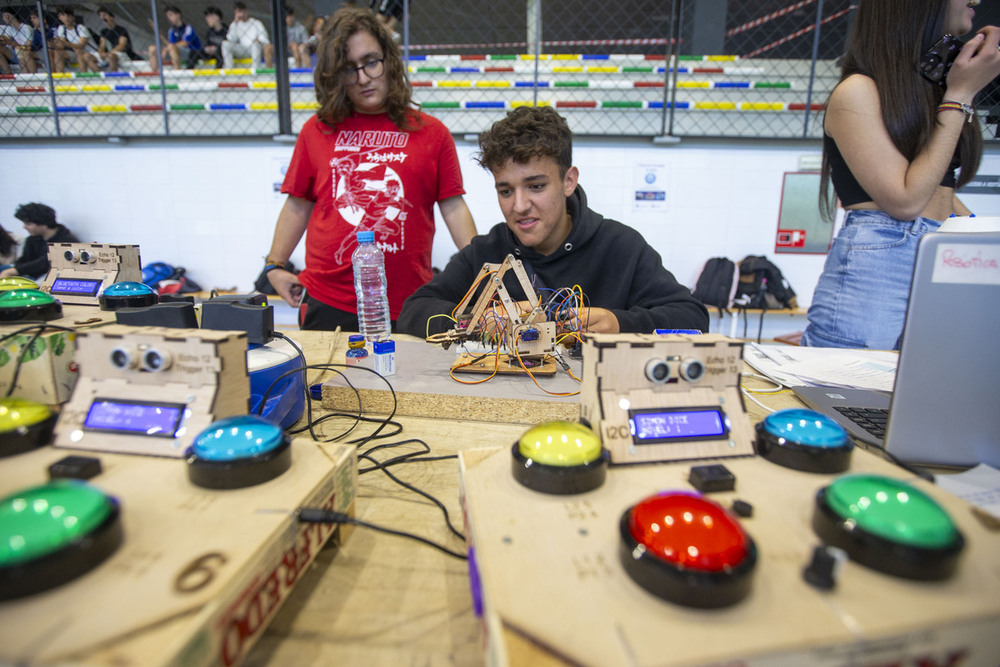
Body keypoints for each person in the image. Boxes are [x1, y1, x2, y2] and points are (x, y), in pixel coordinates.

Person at [397, 106, 709, 338]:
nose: (519, 206)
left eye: (536, 186)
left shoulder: (622, 247)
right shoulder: (485, 253)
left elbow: (693, 317)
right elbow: (414, 311)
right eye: (506, 191)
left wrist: (620, 323)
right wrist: (477, 321)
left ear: (568, 181)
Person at [801, 0, 1000, 350]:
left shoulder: (930, 90)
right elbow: (905, 201)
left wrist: (982, 235)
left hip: (938, 251)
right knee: (846, 394)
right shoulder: (857, 91)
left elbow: (939, 190)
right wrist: (961, 94)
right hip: (881, 260)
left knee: (925, 392)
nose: (977, 0)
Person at [263, 6, 477, 331]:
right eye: (349, 70)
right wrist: (273, 267)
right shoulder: (316, 130)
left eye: (371, 62)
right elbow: (297, 204)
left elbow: (454, 207)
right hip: (328, 300)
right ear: (334, 77)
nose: (363, 78)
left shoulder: (432, 133)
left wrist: (484, 276)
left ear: (389, 60)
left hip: (407, 304)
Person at [0, 203, 79, 280]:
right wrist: (15, 270)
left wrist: (15, 271)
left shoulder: (66, 241)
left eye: (28, 224)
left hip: (49, 276)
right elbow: (23, 260)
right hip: (31, 274)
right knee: (4, 269)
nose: (25, 227)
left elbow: (46, 262)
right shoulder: (32, 239)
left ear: (43, 223)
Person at [147, 5, 201, 71]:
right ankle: (154, 73)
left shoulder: (188, 28)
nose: (169, 18)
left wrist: (168, 48)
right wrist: (161, 36)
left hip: (190, 52)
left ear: (178, 15)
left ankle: (176, 72)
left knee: (172, 48)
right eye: (168, 16)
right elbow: (170, 44)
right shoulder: (171, 30)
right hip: (174, 51)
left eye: (171, 15)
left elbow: (185, 43)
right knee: (152, 48)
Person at [222, 1, 273, 69]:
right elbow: (230, 39)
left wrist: (258, 40)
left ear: (246, 11)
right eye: (238, 12)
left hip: (254, 48)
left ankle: (255, 68)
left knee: (255, 44)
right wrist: (235, 22)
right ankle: (229, 68)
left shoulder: (256, 22)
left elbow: (265, 37)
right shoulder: (235, 24)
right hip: (242, 48)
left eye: (241, 11)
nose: (241, 14)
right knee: (224, 44)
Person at [51, 6, 101, 73]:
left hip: (91, 53)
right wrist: (54, 45)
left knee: (79, 51)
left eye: (68, 15)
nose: (66, 18)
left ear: (73, 17)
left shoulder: (80, 28)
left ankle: (83, 75)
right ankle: (59, 77)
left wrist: (67, 43)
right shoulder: (61, 28)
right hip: (75, 53)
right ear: (59, 17)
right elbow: (61, 46)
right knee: (57, 53)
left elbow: (81, 45)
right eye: (63, 15)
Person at [96, 7, 140, 72]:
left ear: (112, 17)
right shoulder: (104, 31)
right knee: (88, 57)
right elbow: (102, 44)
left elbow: (122, 45)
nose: (103, 18)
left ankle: (113, 76)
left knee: (111, 56)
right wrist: (100, 53)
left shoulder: (121, 30)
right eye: (101, 16)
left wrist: (109, 53)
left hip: (124, 53)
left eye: (105, 15)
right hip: (113, 53)